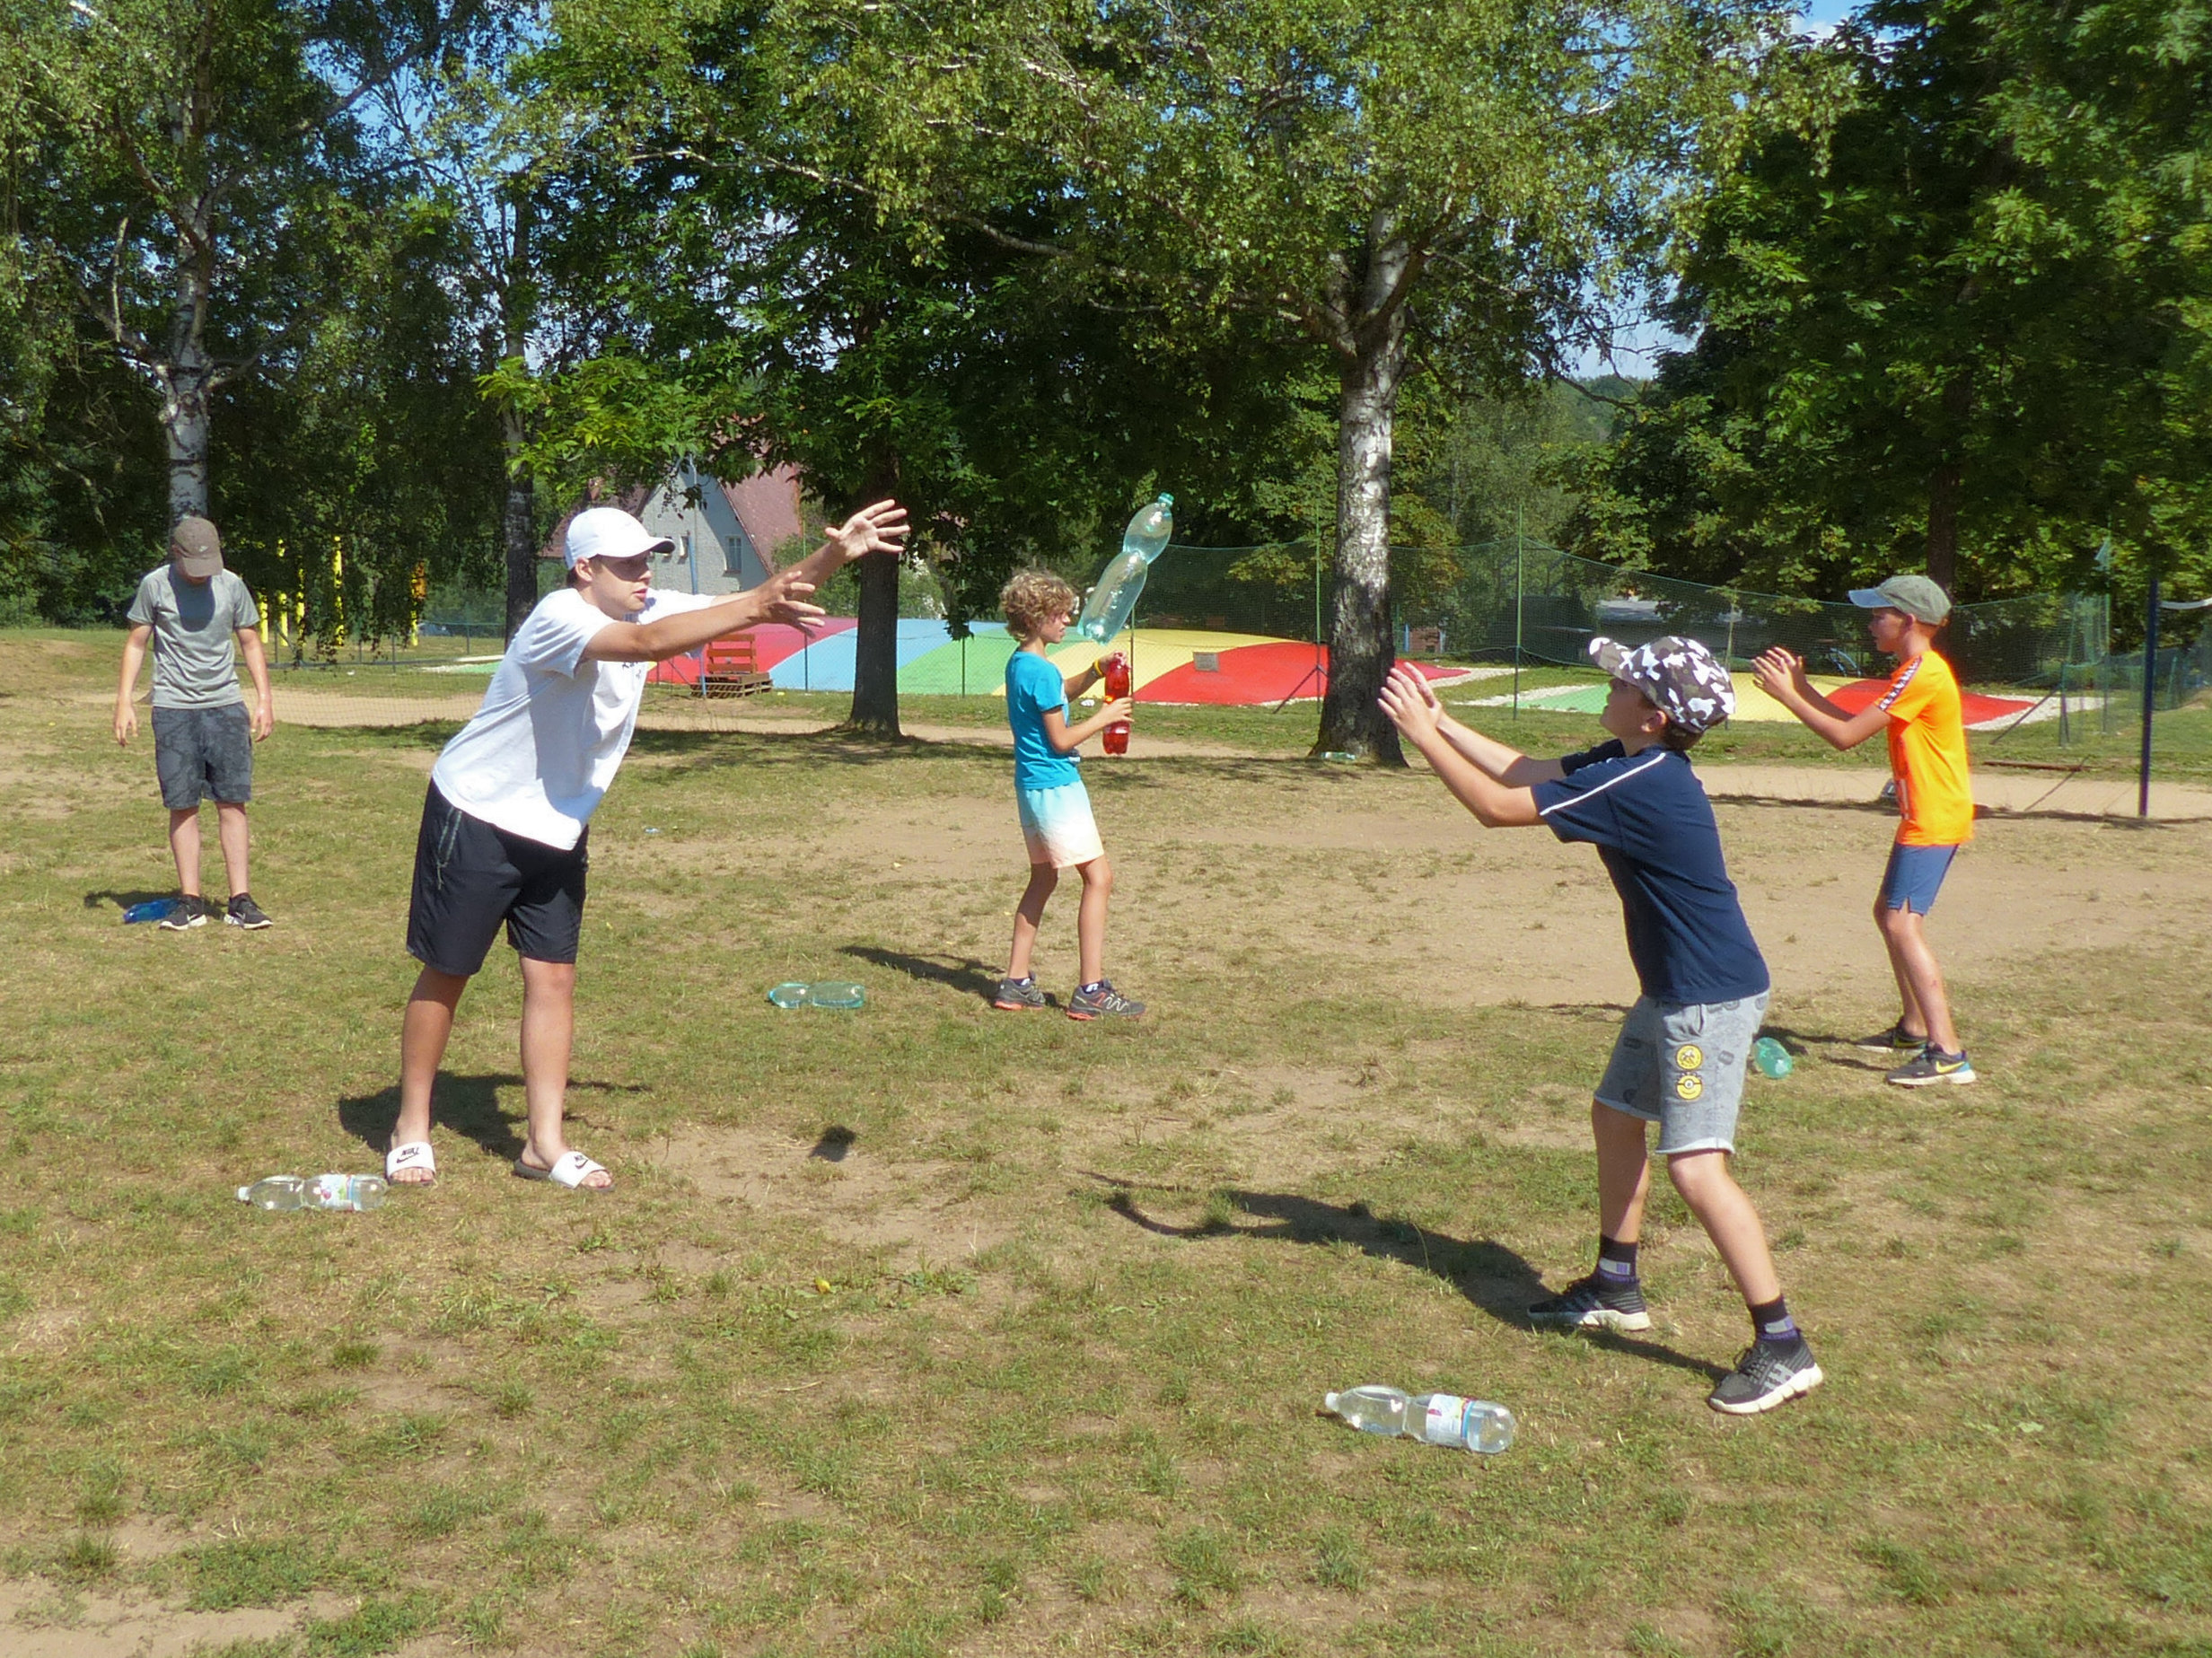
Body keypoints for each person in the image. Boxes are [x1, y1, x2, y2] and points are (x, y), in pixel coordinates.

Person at [384, 499, 909, 1191]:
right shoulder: (559, 616)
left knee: (554, 977)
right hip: (479, 811)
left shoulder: (646, 606)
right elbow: (649, 645)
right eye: (629, 563)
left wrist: (835, 554)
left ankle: (543, 1143)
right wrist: (755, 604)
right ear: (585, 568)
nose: (644, 574)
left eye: (649, 560)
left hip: (557, 823)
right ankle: (410, 1127)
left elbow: (762, 597)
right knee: (449, 970)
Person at [1378, 638, 1821, 1415]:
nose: (1609, 686)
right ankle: (1617, 1283)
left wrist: (1419, 737)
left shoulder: (1644, 781)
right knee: (1616, 1116)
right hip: (1674, 990)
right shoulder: (1631, 759)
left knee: (1697, 1168)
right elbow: (1523, 771)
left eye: (1623, 682)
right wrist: (1442, 724)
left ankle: (1783, 1343)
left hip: (1706, 1003)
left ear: (1653, 716)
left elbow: (1495, 808)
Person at [1751, 575, 1975, 1087]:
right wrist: (1803, 689)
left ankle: (1948, 1052)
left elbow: (1845, 737)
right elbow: (1855, 721)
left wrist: (1788, 697)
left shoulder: (1924, 673)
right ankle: (1915, 1028)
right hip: (1926, 814)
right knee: (1888, 914)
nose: (1871, 624)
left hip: (1935, 817)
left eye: (1879, 615)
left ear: (1908, 621)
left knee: (1901, 923)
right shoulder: (1915, 670)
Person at [991, 569, 1143, 1020]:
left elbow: (1055, 696)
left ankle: (1016, 982)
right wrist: (1106, 717)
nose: (1067, 621)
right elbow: (1060, 739)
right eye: (1058, 614)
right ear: (1035, 618)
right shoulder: (1040, 670)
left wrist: (1095, 672)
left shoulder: (1023, 663)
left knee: (1043, 879)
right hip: (1058, 788)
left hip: (1031, 788)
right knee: (1100, 879)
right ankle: (1091, 990)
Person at [113, 515, 276, 931]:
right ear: (176, 554)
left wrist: (264, 699)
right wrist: (124, 701)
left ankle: (241, 901)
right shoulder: (155, 586)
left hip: (225, 707)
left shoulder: (232, 585)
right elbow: (136, 643)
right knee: (182, 804)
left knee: (232, 802)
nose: (203, 575)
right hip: (173, 709)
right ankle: (191, 902)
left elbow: (250, 641)